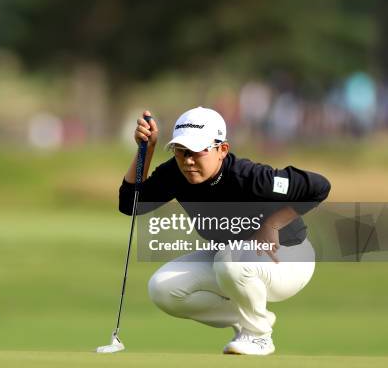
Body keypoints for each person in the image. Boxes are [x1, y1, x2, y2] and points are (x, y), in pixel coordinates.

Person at [119, 107, 331, 355]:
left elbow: (319, 186)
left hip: (289, 258)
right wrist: (147, 149)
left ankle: (259, 336)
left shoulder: (251, 177)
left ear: (222, 150)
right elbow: (131, 204)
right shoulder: (175, 174)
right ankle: (251, 318)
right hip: (232, 260)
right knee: (163, 288)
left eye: (198, 151)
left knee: (230, 260)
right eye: (181, 151)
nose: (188, 160)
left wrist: (273, 224)